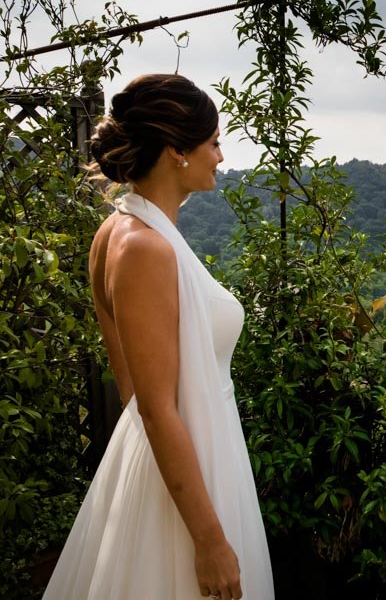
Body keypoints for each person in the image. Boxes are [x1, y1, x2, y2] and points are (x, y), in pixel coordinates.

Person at [43, 74, 274, 599]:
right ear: (177, 151)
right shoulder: (144, 249)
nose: (221, 156)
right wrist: (208, 538)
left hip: (181, 458)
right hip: (188, 477)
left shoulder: (119, 230)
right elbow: (151, 405)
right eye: (213, 142)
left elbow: (135, 393)